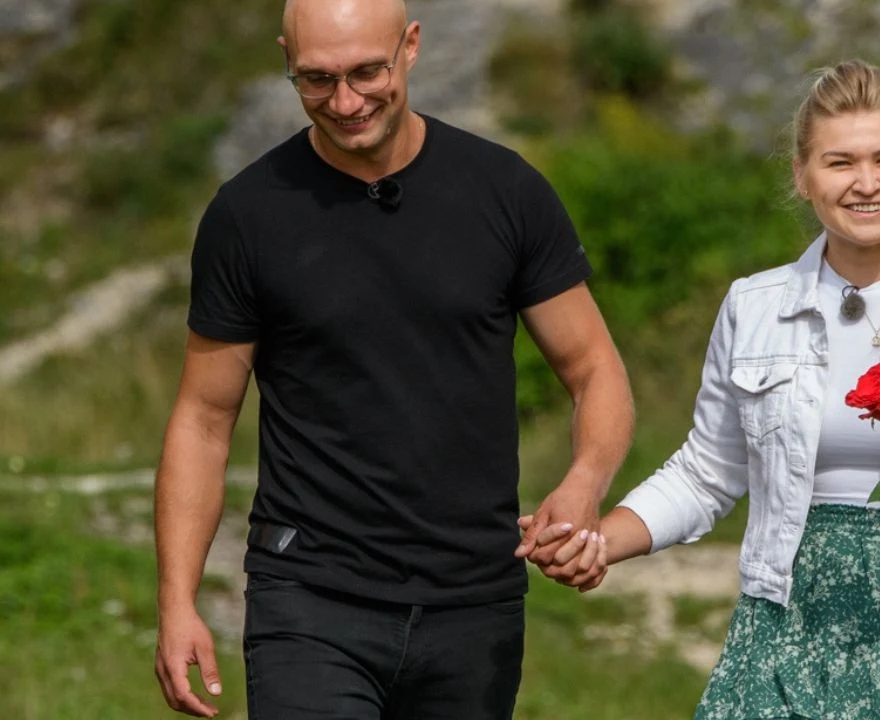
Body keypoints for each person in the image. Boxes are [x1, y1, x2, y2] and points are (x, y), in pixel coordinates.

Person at [527, 59, 880, 718]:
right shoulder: (754, 306)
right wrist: (596, 541)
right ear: (802, 175)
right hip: (786, 634)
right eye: (840, 163)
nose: (867, 183)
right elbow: (707, 474)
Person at [152, 0, 628, 717]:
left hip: (474, 603)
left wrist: (584, 483)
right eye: (316, 80)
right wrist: (176, 601)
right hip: (310, 599)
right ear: (286, 59)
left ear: (410, 46)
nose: (345, 102)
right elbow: (203, 418)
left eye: (366, 73)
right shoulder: (247, 215)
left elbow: (594, 367)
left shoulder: (505, 190)